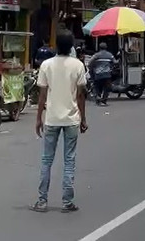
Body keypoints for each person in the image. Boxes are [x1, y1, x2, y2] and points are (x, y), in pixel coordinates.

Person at [32, 29, 88, 213]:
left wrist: (39, 118)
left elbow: (42, 96)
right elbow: (81, 96)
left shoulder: (46, 65)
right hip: (71, 118)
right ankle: (67, 201)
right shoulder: (78, 65)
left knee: (47, 160)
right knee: (69, 160)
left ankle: (42, 201)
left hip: (52, 118)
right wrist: (83, 118)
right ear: (71, 46)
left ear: (56, 45)